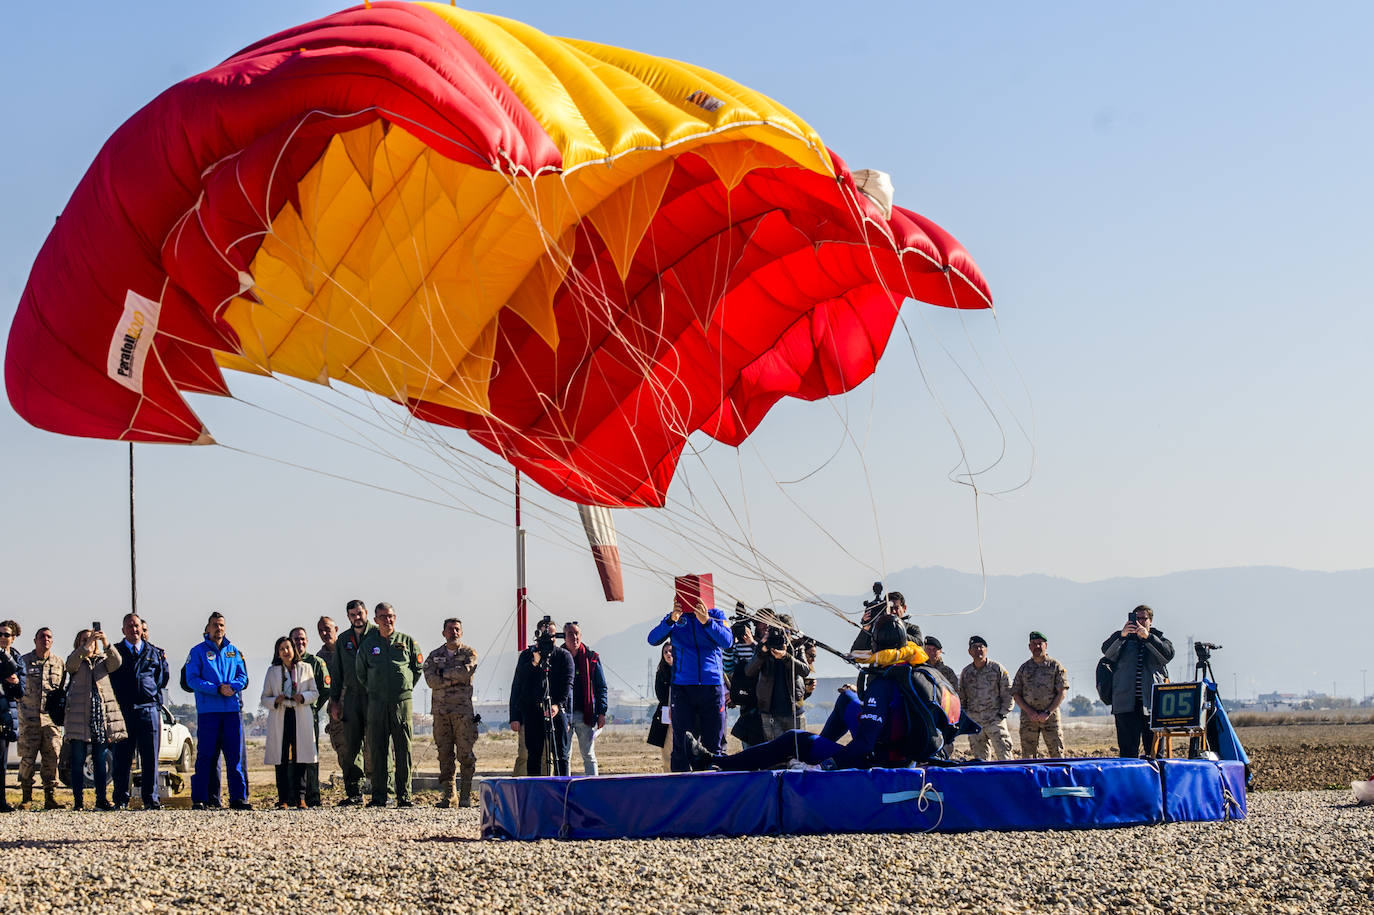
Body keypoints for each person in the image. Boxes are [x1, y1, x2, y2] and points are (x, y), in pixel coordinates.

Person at [684, 615, 958, 772]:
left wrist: (825, 765)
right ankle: (812, 748)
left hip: (882, 760)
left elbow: (863, 744)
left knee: (793, 739)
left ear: (876, 644)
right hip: (904, 751)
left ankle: (717, 763)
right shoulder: (915, 671)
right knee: (847, 699)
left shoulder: (882, 685)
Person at [647, 596, 731, 772]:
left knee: (713, 745)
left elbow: (727, 641)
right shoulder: (675, 618)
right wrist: (672, 619)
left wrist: (706, 621)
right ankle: (681, 790)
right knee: (682, 745)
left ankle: (714, 789)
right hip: (683, 688)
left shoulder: (716, 615)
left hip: (712, 686)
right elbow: (652, 639)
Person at [356, 602, 423, 807]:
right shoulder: (368, 645)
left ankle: (405, 796)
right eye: (383, 616)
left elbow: (417, 668)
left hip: (401, 702)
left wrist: (404, 687)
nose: (388, 619)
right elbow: (361, 673)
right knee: (378, 749)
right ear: (375, 620)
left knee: (404, 748)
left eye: (391, 616)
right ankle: (380, 796)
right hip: (377, 703)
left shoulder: (407, 641)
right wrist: (376, 690)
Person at [184, 611, 251, 810]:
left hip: (231, 712)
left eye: (221, 625)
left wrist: (234, 687)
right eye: (214, 625)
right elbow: (192, 679)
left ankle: (238, 798)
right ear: (208, 628)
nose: (218, 628)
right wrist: (216, 688)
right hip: (208, 712)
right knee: (205, 755)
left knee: (234, 756)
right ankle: (200, 799)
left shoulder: (233, 651)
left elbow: (243, 676)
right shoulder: (197, 652)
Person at [109, 613, 170, 810]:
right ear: (123, 630)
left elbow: (161, 679)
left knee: (150, 758)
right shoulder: (116, 653)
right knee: (122, 758)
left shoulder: (154, 653)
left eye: (136, 626)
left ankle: (150, 799)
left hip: (148, 710)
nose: (134, 630)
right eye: (129, 626)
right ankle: (120, 799)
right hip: (125, 711)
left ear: (142, 629)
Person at [1101, 604, 1176, 758]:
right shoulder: (1122, 638)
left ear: (1151, 621)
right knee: (1128, 752)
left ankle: (1156, 780)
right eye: (1137, 618)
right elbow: (1107, 653)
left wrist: (1148, 638)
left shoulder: (1159, 639)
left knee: (1155, 753)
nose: (1140, 622)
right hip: (1125, 705)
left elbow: (1167, 655)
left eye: (1144, 619)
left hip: (1152, 706)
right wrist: (1122, 636)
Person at [64, 628, 126, 811]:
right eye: (84, 639)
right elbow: (70, 666)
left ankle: (101, 799)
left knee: (100, 760)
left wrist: (106, 643)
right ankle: (78, 801)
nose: (90, 642)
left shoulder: (103, 661)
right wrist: (85, 647)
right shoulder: (75, 659)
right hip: (78, 718)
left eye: (92, 639)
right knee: (77, 760)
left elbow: (117, 662)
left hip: (100, 718)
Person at [424, 617, 479, 806]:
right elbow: (431, 681)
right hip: (441, 713)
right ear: (443, 633)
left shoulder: (468, 653)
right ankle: (449, 795)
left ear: (461, 632)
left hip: (463, 713)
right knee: (444, 753)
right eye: (450, 629)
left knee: (465, 753)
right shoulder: (434, 655)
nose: (453, 632)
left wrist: (443, 674)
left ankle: (465, 795)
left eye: (457, 629)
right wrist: (452, 676)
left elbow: (465, 672)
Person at [509, 616, 573, 777]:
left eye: (551, 636)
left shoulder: (563, 656)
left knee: (561, 755)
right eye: (544, 636)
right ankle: (534, 789)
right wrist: (534, 663)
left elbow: (568, 684)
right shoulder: (527, 656)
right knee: (534, 755)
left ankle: (563, 789)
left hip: (556, 710)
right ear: (537, 636)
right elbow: (518, 683)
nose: (548, 640)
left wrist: (557, 705)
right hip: (532, 711)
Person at [261, 636, 319, 809]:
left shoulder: (305, 668)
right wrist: (275, 700)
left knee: (301, 757)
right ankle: (283, 798)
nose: (286, 652)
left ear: (294, 650)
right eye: (282, 649)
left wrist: (303, 697)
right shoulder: (272, 671)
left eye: (288, 648)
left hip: (300, 714)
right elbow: (264, 698)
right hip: (281, 715)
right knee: (281, 758)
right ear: (278, 653)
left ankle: (301, 797)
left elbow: (314, 692)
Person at [328, 599, 376, 805]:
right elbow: (337, 674)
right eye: (353, 615)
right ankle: (354, 792)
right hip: (351, 699)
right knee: (351, 746)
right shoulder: (343, 640)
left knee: (377, 744)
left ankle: (381, 791)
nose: (357, 618)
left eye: (360, 614)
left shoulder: (377, 635)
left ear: (366, 613)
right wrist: (335, 702)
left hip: (374, 698)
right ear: (348, 617)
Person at [18, 626, 65, 809]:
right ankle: (26, 797)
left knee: (52, 758)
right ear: (35, 640)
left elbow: (61, 691)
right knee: (27, 760)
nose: (45, 640)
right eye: (42, 637)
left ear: (52, 641)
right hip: (29, 720)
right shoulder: (24, 662)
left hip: (50, 722)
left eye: (49, 637)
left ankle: (50, 797)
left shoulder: (58, 663)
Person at [289, 627, 331, 806]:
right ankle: (293, 797)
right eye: (296, 640)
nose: (300, 642)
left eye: (302, 639)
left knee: (311, 757)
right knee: (291, 758)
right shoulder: (285, 662)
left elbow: (325, 689)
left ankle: (313, 796)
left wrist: (312, 706)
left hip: (308, 716)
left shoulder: (316, 662)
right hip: (289, 716)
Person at [1011, 631, 1070, 758]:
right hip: (1028, 718)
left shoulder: (1055, 666)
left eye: (1040, 644)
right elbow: (1016, 693)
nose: (1037, 646)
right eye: (1034, 644)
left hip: (1050, 717)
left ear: (1046, 645)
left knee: (1057, 754)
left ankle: (1058, 777)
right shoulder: (1024, 668)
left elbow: (1062, 692)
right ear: (1029, 647)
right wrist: (1029, 711)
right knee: (1028, 756)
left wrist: (1047, 712)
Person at [958, 636, 1015, 760]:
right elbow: (962, 697)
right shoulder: (966, 672)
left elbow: (1008, 693)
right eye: (975, 647)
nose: (978, 650)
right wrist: (967, 717)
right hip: (975, 722)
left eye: (981, 647)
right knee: (980, 760)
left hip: (995, 720)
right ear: (969, 652)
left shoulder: (997, 669)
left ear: (986, 650)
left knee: (1005, 755)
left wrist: (1002, 714)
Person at [746, 629, 810, 740]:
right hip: (770, 711)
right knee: (775, 753)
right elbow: (749, 671)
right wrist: (762, 652)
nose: (780, 638)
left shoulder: (796, 647)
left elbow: (805, 670)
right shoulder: (764, 648)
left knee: (799, 750)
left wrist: (786, 656)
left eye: (784, 633)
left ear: (790, 634)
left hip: (794, 710)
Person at [563, 622, 607, 776]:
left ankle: (593, 787)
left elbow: (601, 687)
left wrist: (602, 712)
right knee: (564, 756)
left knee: (588, 755)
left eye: (576, 634)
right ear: (564, 636)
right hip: (564, 716)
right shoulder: (559, 657)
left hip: (586, 715)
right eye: (570, 634)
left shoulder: (591, 658)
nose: (574, 637)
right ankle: (563, 789)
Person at [0, 621, 26, 811]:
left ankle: (1, 801)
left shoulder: (17, 659)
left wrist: (15, 681)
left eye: (6, 634)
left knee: (1, 760)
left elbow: (21, 692)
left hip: (4, 714)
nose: (2, 637)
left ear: (13, 637)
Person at [650, 643, 674, 772]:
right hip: (666, 716)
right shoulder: (661, 673)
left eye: (671, 651)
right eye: (665, 652)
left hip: (685, 714)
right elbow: (660, 695)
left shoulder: (685, 670)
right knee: (667, 749)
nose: (668, 654)